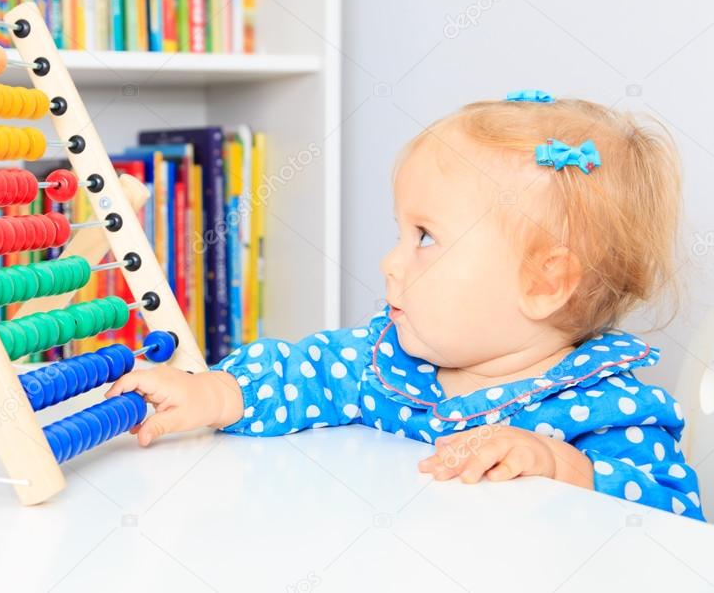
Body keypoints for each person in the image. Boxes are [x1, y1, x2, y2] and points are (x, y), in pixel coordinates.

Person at [106, 90, 704, 520]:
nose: (391, 262)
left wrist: (562, 467)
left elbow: (674, 521)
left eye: (425, 238)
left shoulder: (610, 410)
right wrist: (212, 393)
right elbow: (299, 372)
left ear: (545, 282)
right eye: (401, 233)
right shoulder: (384, 363)